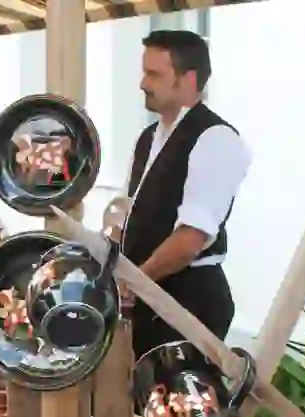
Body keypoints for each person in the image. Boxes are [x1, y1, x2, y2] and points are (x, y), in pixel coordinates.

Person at [117, 30, 251, 358]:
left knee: (174, 407)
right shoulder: (147, 139)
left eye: (154, 75)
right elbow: (134, 216)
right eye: (144, 72)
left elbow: (190, 239)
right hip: (145, 301)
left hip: (190, 303)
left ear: (189, 80)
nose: (142, 84)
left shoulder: (216, 139)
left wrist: (135, 281)